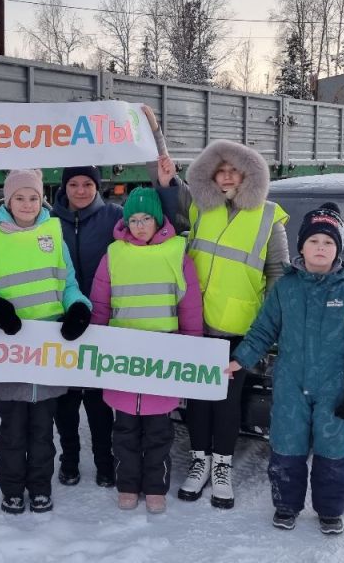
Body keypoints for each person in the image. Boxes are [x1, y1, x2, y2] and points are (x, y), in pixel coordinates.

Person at [228, 202, 344, 534]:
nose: (320, 248)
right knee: (287, 447)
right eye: (314, 241)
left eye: (328, 242)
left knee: (334, 451)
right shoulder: (286, 288)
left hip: (335, 389)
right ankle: (286, 506)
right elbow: (264, 329)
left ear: (338, 249)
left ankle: (329, 512)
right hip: (291, 386)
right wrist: (241, 359)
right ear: (301, 246)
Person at [155, 137, 290, 510]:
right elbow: (174, 197)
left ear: (249, 175)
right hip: (197, 323)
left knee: (228, 400)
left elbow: (278, 273)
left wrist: (269, 328)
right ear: (211, 175)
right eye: (221, 170)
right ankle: (200, 461)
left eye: (235, 170)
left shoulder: (268, 216)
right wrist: (166, 179)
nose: (227, 177)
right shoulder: (201, 207)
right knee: (198, 398)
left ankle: (222, 467)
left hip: (240, 327)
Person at [0, 168, 92, 515]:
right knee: (12, 432)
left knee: (42, 432)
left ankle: (39, 487)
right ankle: (11, 489)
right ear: (8, 201)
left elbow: (69, 285)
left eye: (33, 197)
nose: (26, 203)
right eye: (19, 197)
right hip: (10, 350)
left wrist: (79, 308)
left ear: (42, 200)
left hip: (48, 353)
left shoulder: (54, 233)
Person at [89, 188, 203, 514]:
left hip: (162, 364)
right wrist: (96, 349)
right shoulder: (114, 255)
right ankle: (127, 484)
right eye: (133, 220)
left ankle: (155, 487)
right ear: (126, 222)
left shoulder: (177, 255)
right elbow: (100, 306)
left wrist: (190, 352)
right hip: (123, 362)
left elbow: (190, 309)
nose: (139, 226)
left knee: (158, 433)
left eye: (146, 219)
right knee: (124, 431)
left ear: (158, 220)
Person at [49, 165, 120, 488]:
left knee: (98, 401)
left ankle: (105, 461)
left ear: (97, 186)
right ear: (65, 187)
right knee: (65, 399)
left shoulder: (114, 217)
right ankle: (70, 459)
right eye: (74, 184)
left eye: (88, 184)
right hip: (60, 323)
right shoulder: (49, 223)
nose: (80, 190)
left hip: (100, 321)